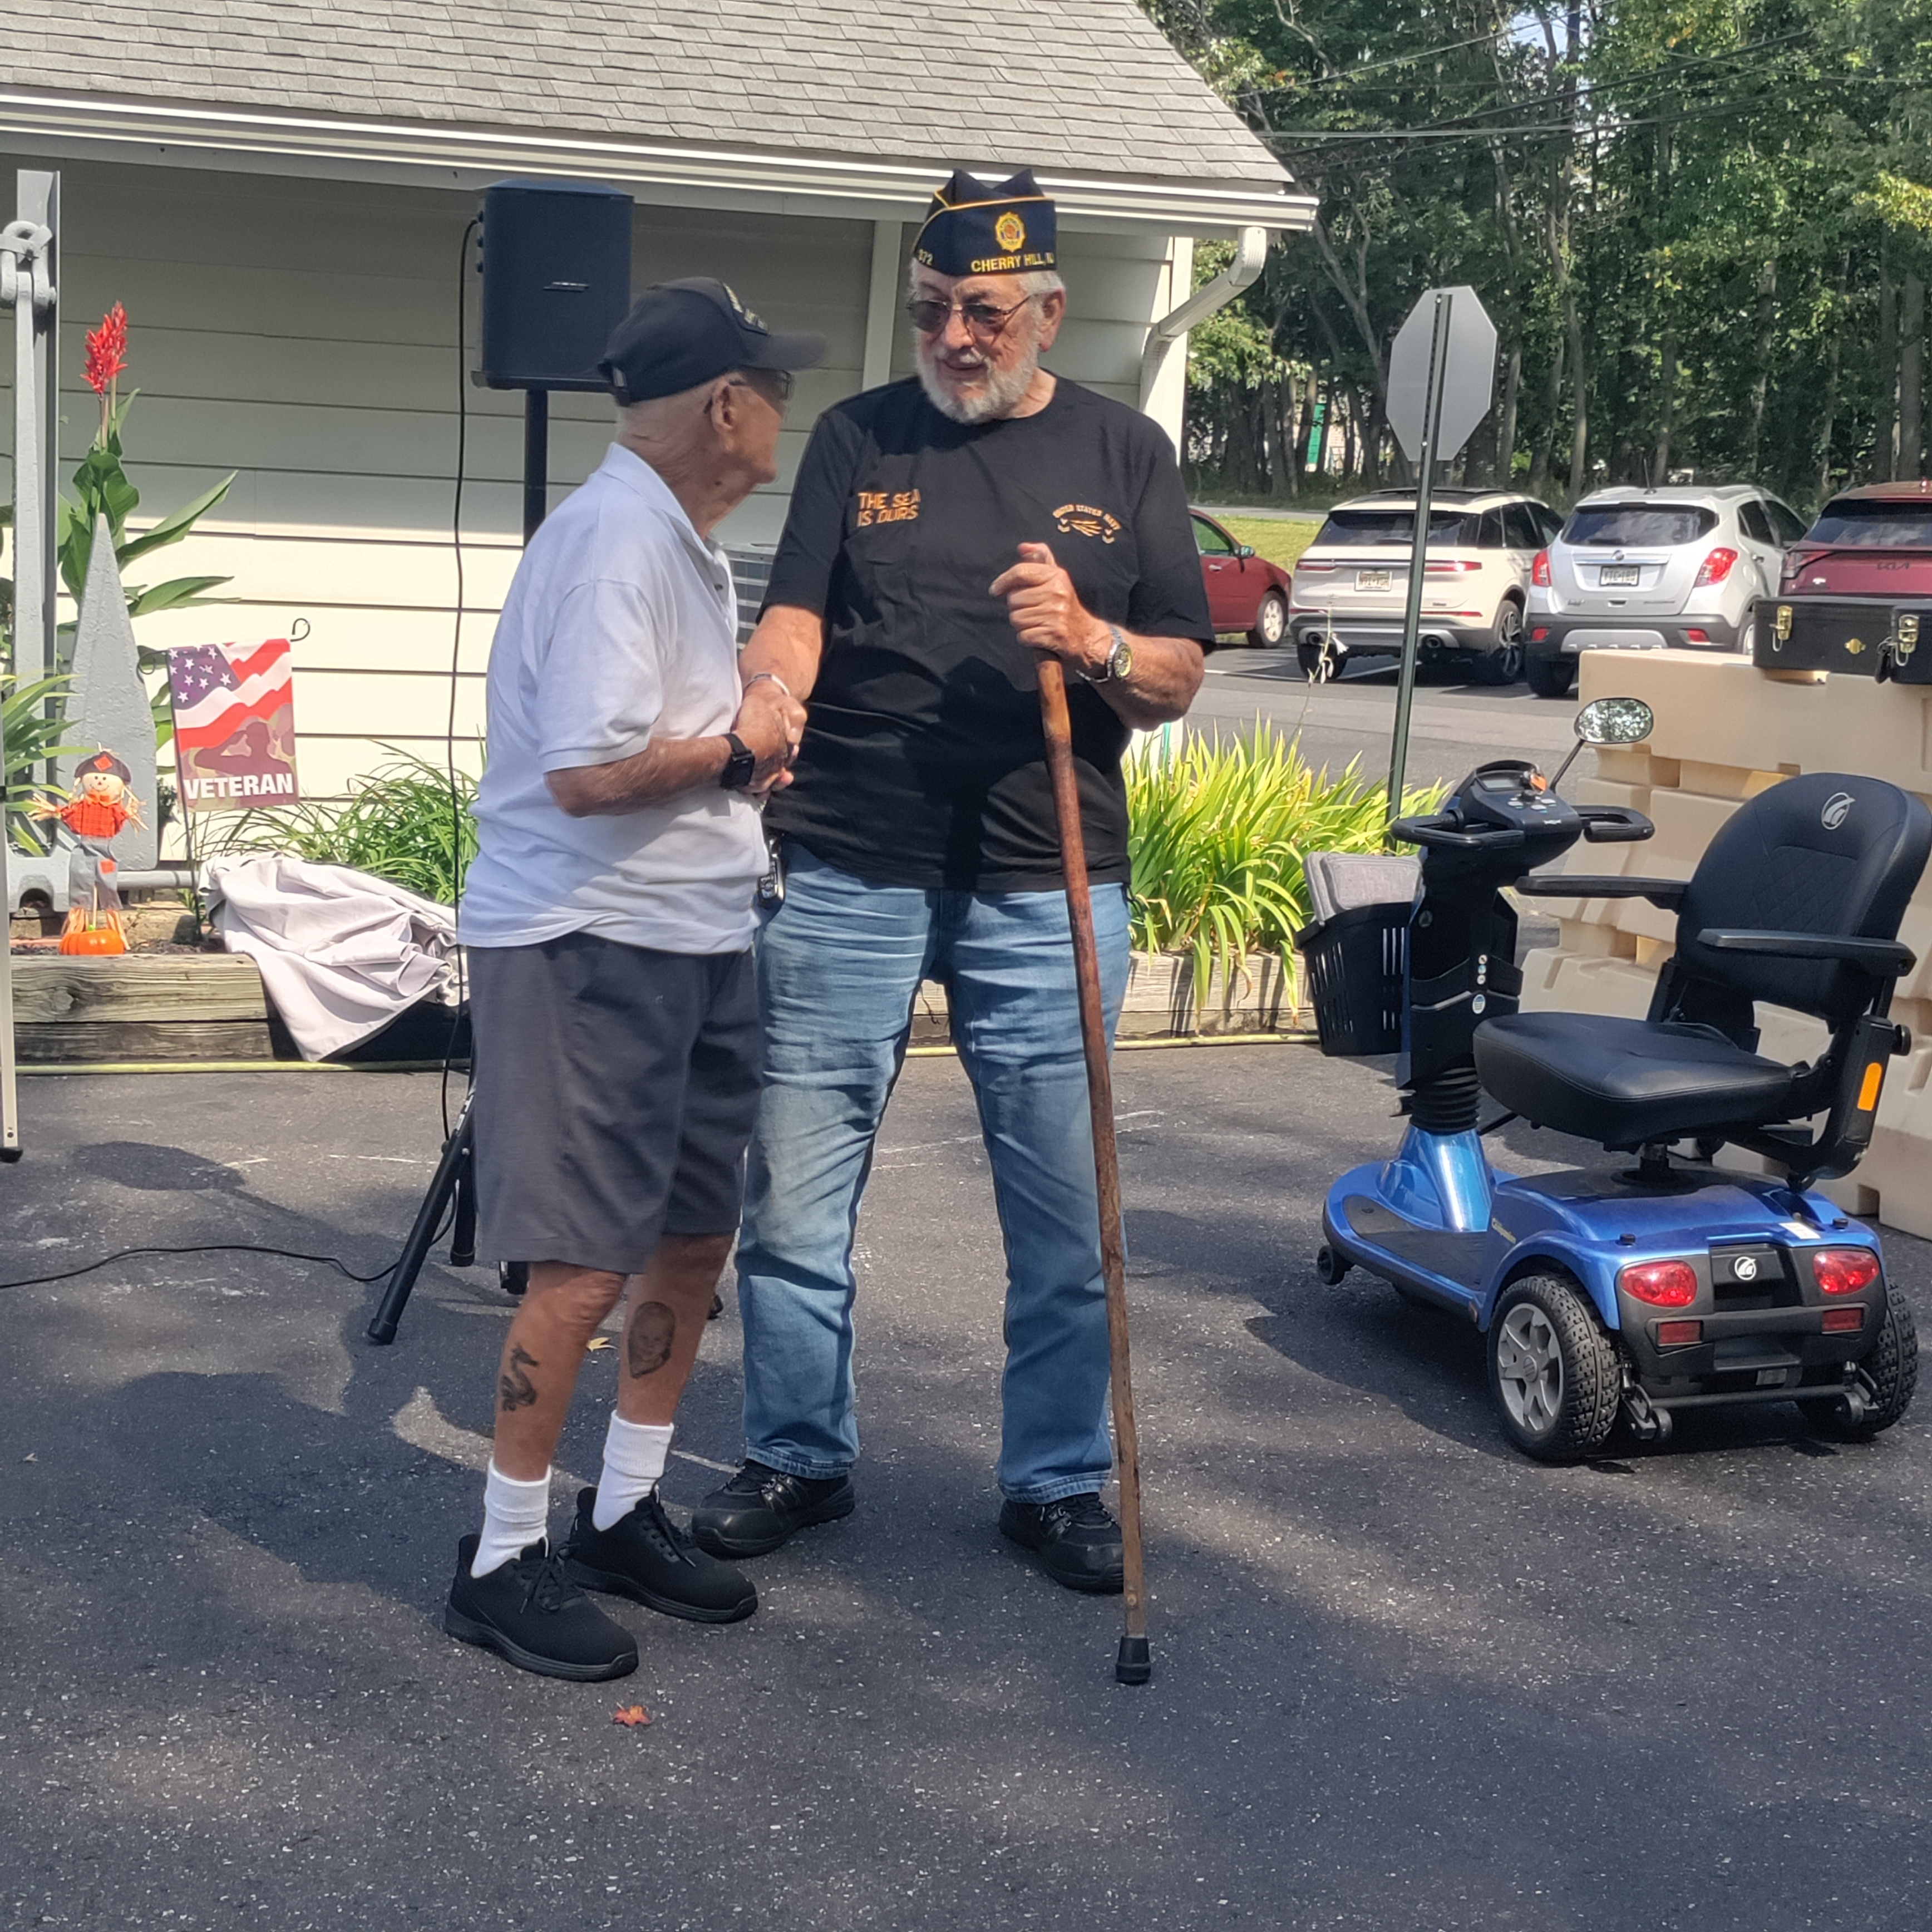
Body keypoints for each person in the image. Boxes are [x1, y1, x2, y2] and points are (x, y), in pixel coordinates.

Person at [689, 170, 1210, 1594]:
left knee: (1062, 1214)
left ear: (1048, 310)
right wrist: (768, 697)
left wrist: (1091, 639)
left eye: (982, 311)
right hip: (849, 862)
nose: (953, 337)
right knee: (794, 1200)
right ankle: (797, 1453)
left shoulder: (1122, 452)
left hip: (1045, 878)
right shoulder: (860, 435)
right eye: (932, 309)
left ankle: (1054, 1479)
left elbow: (1175, 669)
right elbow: (795, 614)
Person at [443, 279, 822, 1680]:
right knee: (585, 1259)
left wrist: (745, 744)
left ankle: (619, 1510)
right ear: (725, 405)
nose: (781, 409)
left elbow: (657, 741)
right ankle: (501, 1557)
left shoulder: (675, 540)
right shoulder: (614, 542)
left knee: (688, 1237)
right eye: (771, 385)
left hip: (689, 937)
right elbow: (590, 771)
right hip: (589, 944)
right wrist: (740, 748)